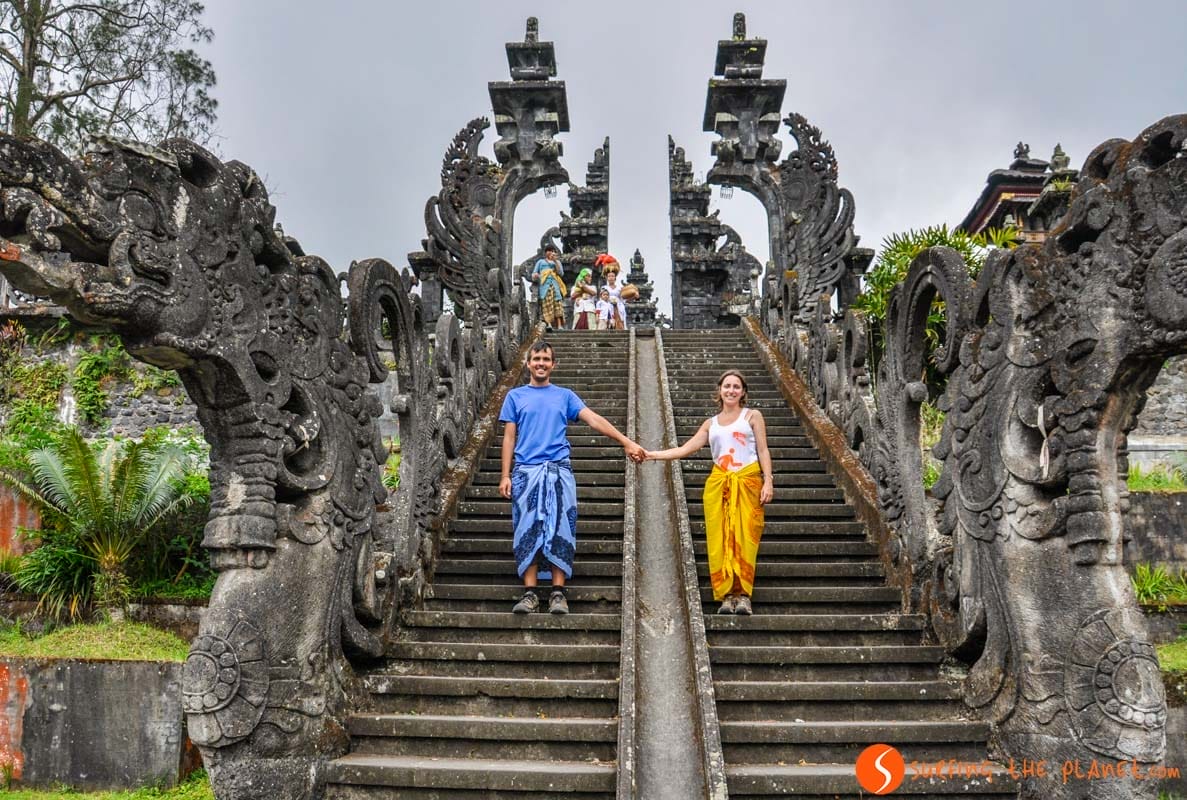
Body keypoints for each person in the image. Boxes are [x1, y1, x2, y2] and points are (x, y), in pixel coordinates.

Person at [500, 340, 645, 614]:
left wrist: (625, 441)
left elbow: (594, 419)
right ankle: (530, 594)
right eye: (536, 359)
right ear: (528, 363)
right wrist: (505, 475)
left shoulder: (565, 396)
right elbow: (509, 437)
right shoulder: (515, 397)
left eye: (546, 359)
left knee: (560, 528)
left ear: (553, 365)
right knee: (526, 530)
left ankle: (558, 592)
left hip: (558, 472)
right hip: (525, 472)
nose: (541, 363)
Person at [645, 370, 774, 615]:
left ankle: (743, 594)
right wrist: (652, 455)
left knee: (745, 538)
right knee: (720, 539)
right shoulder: (710, 424)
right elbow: (685, 449)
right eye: (727, 386)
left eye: (736, 386)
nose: (731, 390)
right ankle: (726, 595)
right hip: (719, 486)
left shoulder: (753, 416)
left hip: (747, 482)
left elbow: (763, 450)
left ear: (743, 392)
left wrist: (768, 481)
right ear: (719, 390)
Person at [532, 245, 567, 329]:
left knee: (557, 303)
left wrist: (555, 261)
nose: (551, 252)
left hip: (555, 284)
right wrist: (537, 276)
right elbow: (534, 274)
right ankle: (549, 324)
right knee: (547, 304)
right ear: (545, 253)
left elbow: (561, 273)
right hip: (545, 285)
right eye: (549, 251)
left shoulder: (557, 262)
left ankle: (559, 325)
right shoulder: (540, 262)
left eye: (552, 251)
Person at [595, 253, 632, 330]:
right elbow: (601, 300)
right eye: (609, 276)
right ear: (606, 278)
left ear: (615, 277)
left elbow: (623, 298)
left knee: (619, 322)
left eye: (612, 276)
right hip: (607, 306)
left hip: (618, 306)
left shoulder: (620, 288)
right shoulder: (604, 287)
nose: (611, 278)